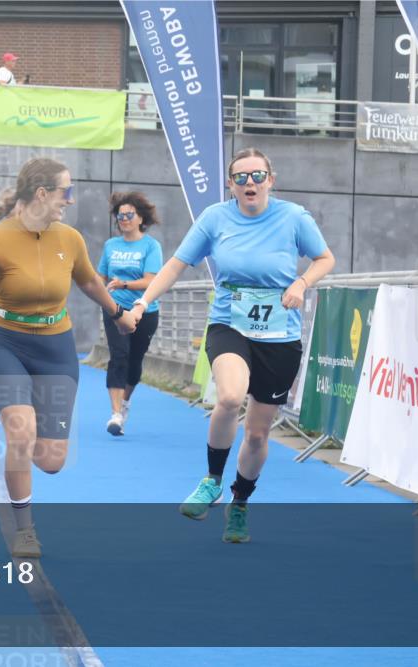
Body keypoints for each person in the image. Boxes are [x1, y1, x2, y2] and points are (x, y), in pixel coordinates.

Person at [131, 148, 335, 543]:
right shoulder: (215, 218)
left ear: (270, 180)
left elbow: (325, 258)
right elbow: (175, 264)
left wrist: (301, 283)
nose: (249, 183)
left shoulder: (294, 217)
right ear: (230, 184)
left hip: (279, 335)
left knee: (257, 434)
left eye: (257, 176)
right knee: (228, 397)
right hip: (230, 323)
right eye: (240, 177)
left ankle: (239, 502)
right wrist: (143, 302)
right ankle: (211, 481)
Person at [0, 157, 136, 558]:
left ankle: (21, 448)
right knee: (20, 434)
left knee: (51, 461)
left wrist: (118, 314)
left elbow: (90, 281)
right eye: (65, 191)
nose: (70, 200)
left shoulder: (70, 239)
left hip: (56, 350)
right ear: (41, 194)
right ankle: (24, 530)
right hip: (5, 346)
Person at [98, 191, 163, 436]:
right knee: (119, 355)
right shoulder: (110, 245)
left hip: (144, 311)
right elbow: (100, 276)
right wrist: (96, 290)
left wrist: (124, 284)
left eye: (129, 215)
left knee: (134, 361)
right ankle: (115, 413)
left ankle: (125, 403)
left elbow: (151, 281)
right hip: (115, 309)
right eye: (120, 216)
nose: (124, 219)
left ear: (141, 218)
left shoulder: (151, 246)